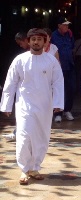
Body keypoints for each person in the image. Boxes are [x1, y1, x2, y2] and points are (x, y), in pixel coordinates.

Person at [0, 28, 64, 185]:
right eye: (33, 39)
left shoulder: (51, 61)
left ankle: (35, 167)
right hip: (24, 105)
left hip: (45, 105)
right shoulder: (20, 60)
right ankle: (24, 169)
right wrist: (7, 105)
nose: (36, 42)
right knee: (24, 136)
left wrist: (57, 103)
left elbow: (58, 82)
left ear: (45, 41)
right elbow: (11, 83)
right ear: (28, 41)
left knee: (41, 137)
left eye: (39, 39)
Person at [2, 32, 30, 142]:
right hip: (24, 91)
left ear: (25, 40)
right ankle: (17, 133)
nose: (20, 46)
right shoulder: (21, 57)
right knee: (23, 114)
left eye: (20, 43)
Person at [51, 17, 75, 122]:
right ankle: (58, 112)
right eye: (64, 25)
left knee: (71, 88)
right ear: (59, 25)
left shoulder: (70, 34)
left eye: (67, 25)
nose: (66, 27)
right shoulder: (52, 36)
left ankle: (67, 110)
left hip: (69, 65)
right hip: (58, 67)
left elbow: (72, 47)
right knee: (58, 89)